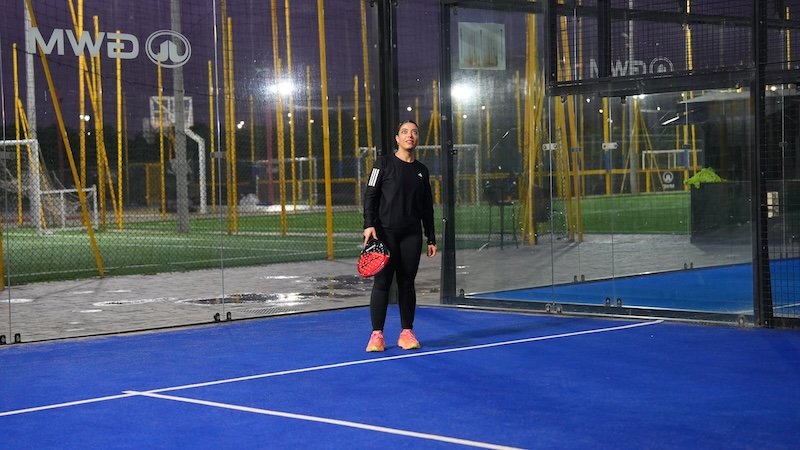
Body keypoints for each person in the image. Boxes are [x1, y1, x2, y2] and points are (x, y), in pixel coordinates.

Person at [362, 120, 437, 352]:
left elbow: (427, 207)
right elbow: (370, 195)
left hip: (411, 236)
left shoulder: (422, 171)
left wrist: (431, 237)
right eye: (404, 132)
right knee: (382, 283)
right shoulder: (382, 164)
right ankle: (377, 336)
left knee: (407, 283)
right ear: (397, 138)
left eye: (414, 132)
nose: (409, 135)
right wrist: (369, 225)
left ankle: (406, 333)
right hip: (385, 234)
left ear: (418, 138)